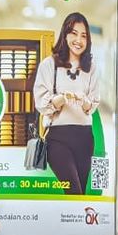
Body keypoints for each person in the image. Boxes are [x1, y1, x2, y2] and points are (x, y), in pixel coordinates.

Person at [33, 12, 100, 196]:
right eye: (73, 33)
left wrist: (83, 101)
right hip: (58, 137)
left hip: (85, 137)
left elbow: (92, 106)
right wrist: (60, 99)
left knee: (80, 195)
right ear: (65, 34)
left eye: (84, 35)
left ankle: (76, 224)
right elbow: (41, 102)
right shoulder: (49, 65)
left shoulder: (92, 67)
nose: (78, 40)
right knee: (74, 191)